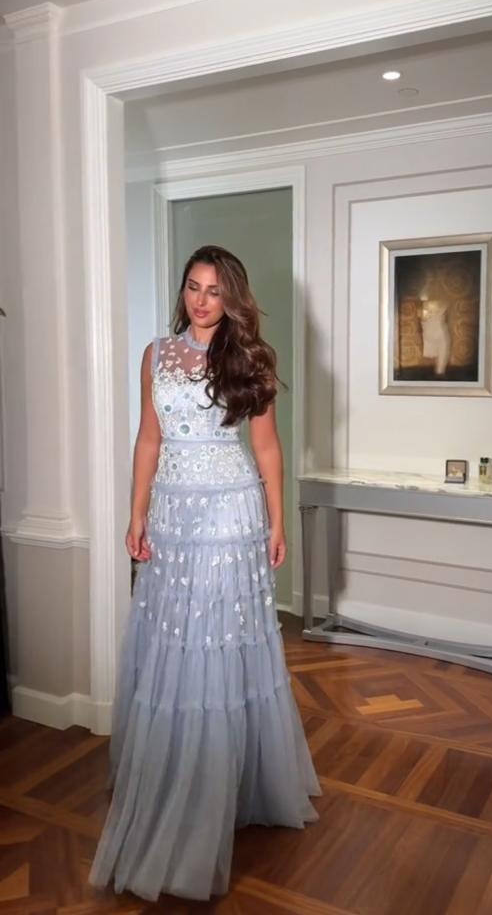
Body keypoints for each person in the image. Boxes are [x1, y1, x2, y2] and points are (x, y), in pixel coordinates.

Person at [88, 245, 322, 902]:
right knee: (171, 643)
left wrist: (277, 523)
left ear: (232, 297)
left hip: (229, 516)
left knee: (217, 645)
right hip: (171, 515)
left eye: (215, 291)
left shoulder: (251, 357)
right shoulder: (156, 354)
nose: (201, 300)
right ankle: (171, 773)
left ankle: (221, 787)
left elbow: (267, 448)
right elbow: (149, 439)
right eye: (193, 287)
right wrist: (136, 513)